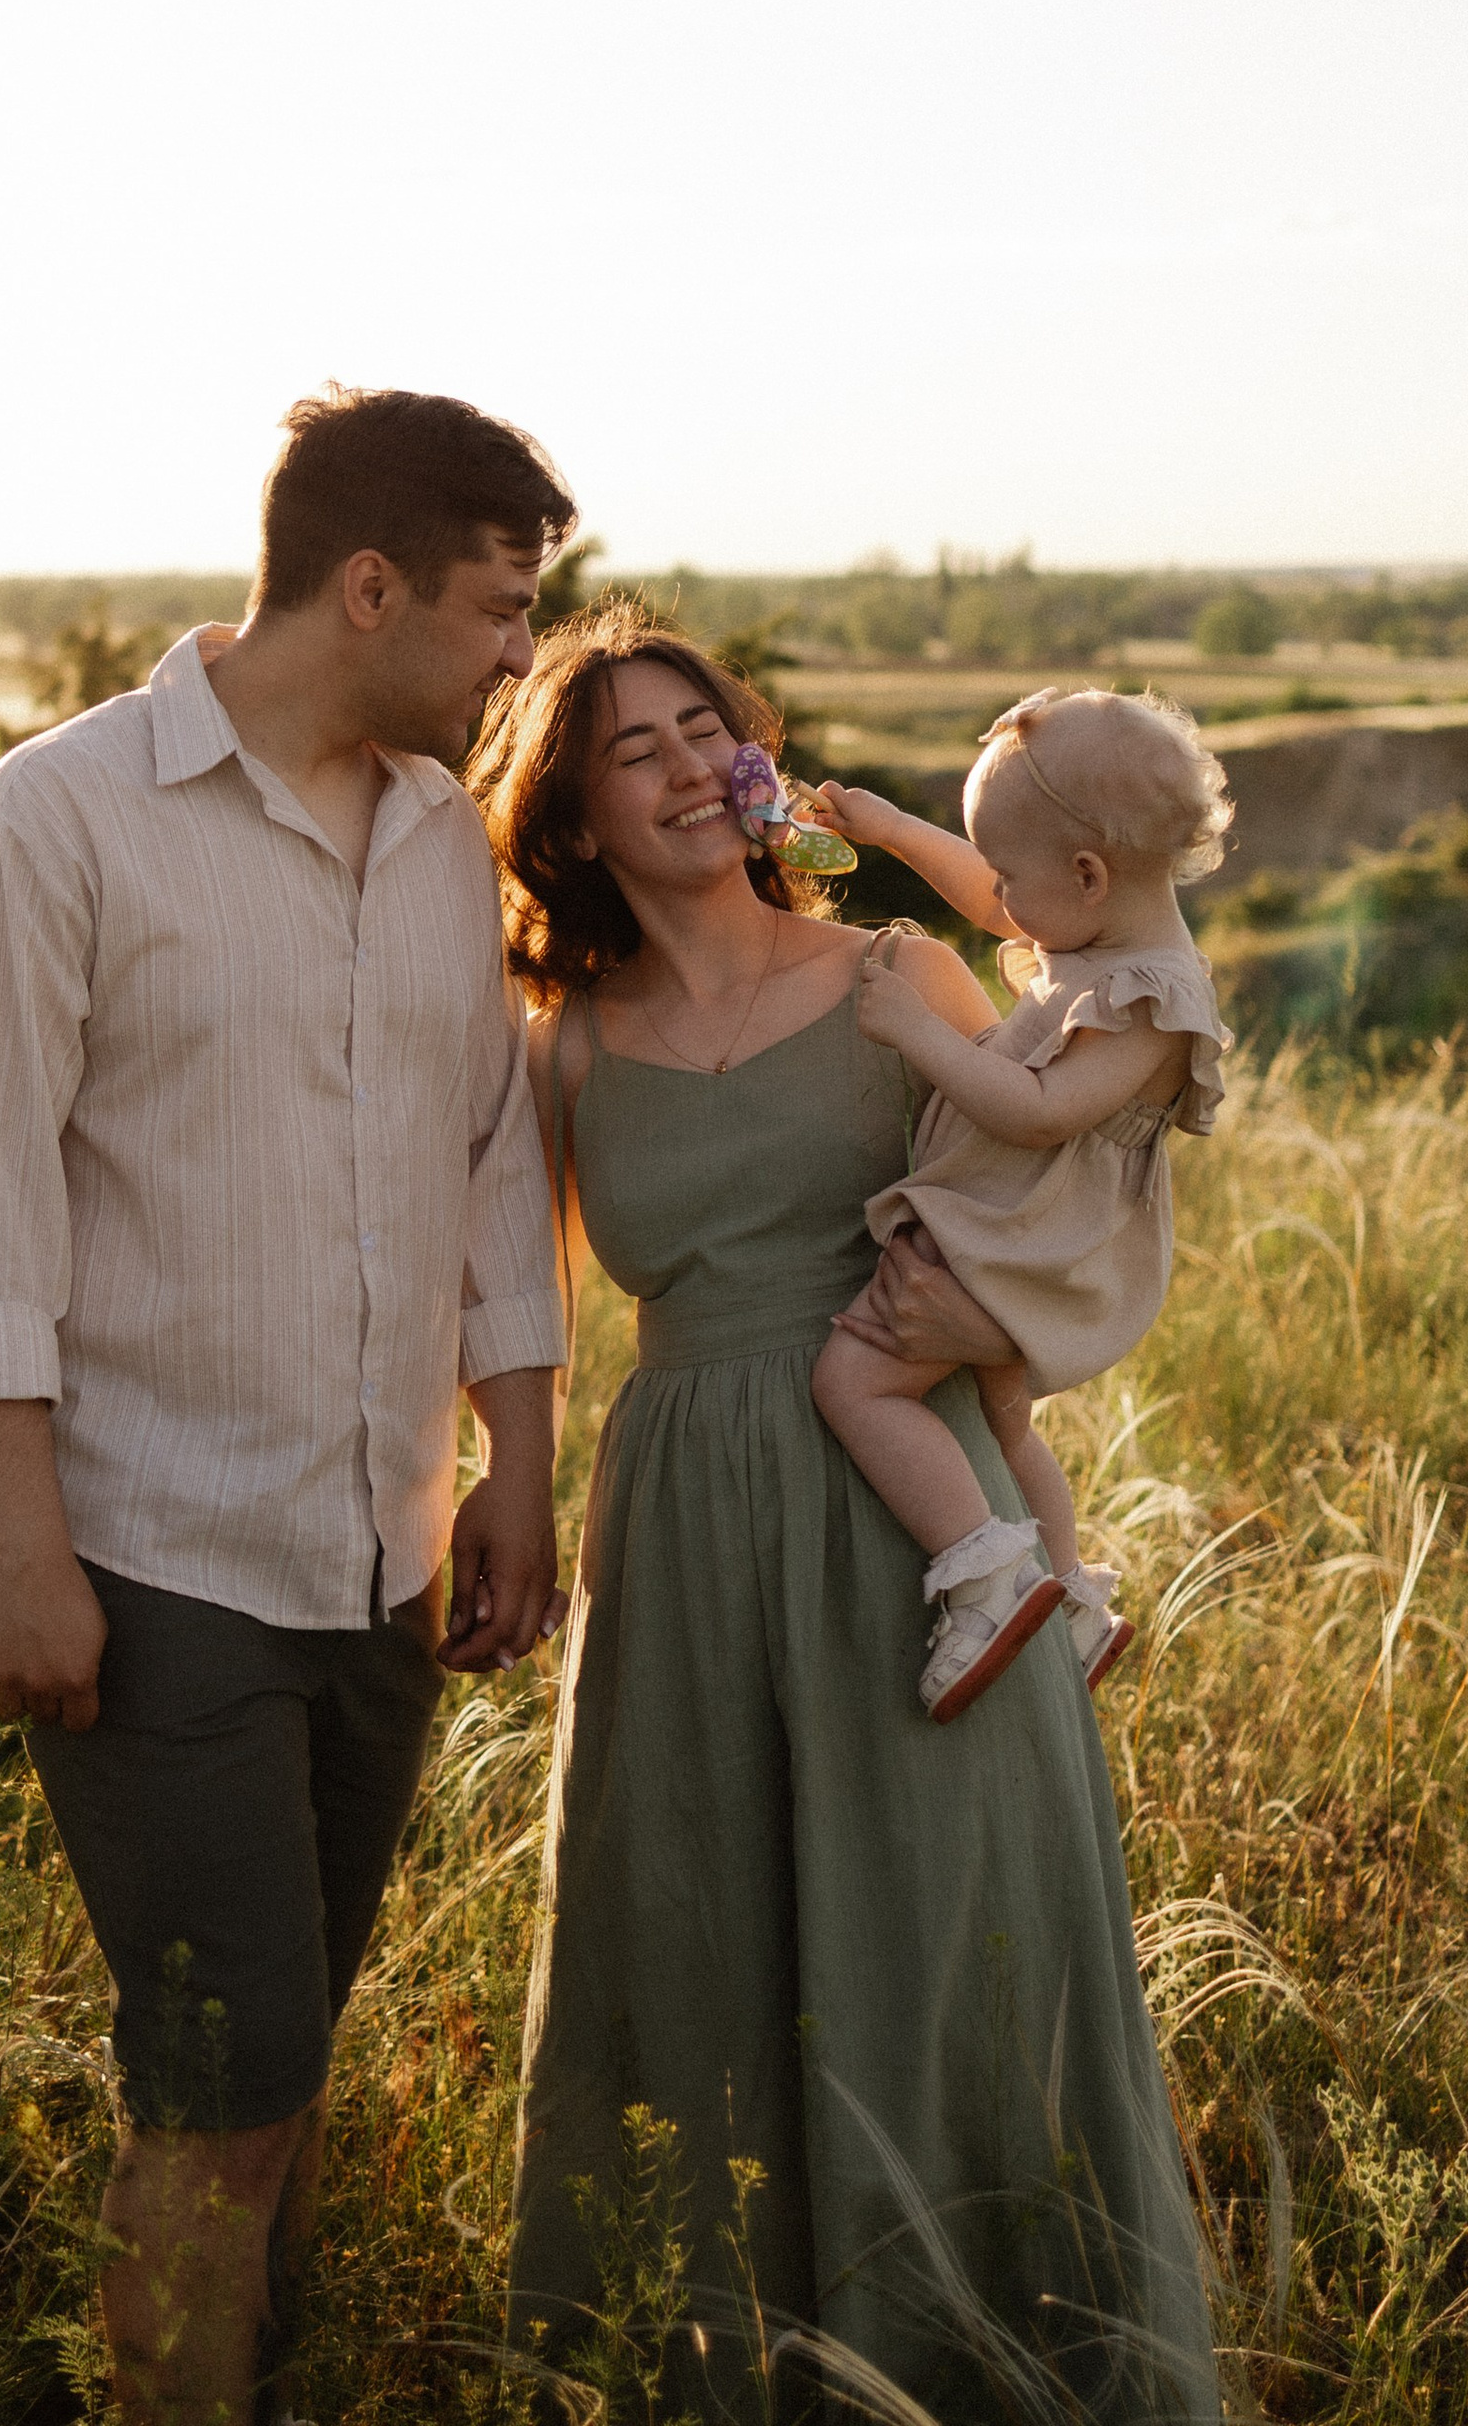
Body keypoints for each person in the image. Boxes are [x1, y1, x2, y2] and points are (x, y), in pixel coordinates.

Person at [0, 388, 578, 2425]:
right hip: (146, 1554)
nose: (516, 658)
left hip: (375, 1548)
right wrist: (21, 1550)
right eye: (494, 610)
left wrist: (514, 1459)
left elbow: (479, 1161)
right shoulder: (59, 815)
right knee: (225, 2082)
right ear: (364, 586)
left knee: (279, 2066)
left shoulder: (444, 838)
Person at [474, 605, 1219, 2424]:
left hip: (917, 1537)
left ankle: (996, 2364)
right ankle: (720, 2369)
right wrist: (513, 1484)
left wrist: (1026, 1481)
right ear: (569, 809)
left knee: (957, 1929)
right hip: (685, 1533)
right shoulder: (563, 1044)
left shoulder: (897, 971)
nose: (675, 763)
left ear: (750, 762)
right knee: (697, 1934)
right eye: (626, 745)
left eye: (697, 728)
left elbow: (1035, 1191)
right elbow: (520, 1307)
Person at [809, 692, 1235, 1720]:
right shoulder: (1095, 927)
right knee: (1002, 1424)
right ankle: (1072, 1592)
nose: (995, 900)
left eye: (1008, 873)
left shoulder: (1148, 998)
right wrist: (892, 830)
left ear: (1086, 875)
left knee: (855, 1381)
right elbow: (1004, 902)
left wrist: (921, 1032)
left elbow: (1043, 1113)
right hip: (1012, 1226)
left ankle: (981, 1577)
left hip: (1030, 1238)